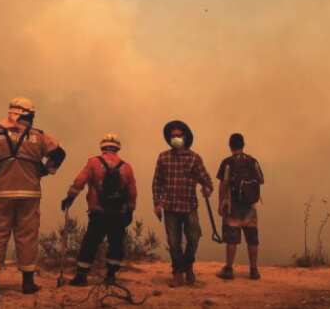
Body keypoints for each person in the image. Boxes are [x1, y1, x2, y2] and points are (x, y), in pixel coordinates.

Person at [0, 97, 66, 294]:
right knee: (27, 235)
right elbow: (59, 154)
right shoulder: (39, 137)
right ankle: (28, 282)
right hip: (30, 194)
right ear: (27, 115)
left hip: (2, 192)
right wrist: (45, 170)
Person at [61, 133, 137, 286]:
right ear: (118, 147)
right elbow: (132, 192)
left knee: (90, 243)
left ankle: (81, 277)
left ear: (102, 146)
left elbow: (79, 181)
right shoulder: (126, 167)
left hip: (98, 212)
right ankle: (110, 276)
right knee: (116, 244)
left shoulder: (93, 163)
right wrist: (130, 210)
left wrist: (69, 198)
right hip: (118, 213)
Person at [152, 120, 213, 287]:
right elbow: (157, 182)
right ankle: (177, 273)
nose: (175, 138)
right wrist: (157, 204)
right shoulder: (163, 157)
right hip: (170, 207)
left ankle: (188, 265)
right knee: (173, 242)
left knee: (194, 238)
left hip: (189, 206)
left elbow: (206, 180)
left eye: (178, 135)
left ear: (185, 137)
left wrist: (207, 188)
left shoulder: (194, 158)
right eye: (172, 136)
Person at [216, 133, 264, 280]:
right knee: (252, 239)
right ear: (243, 144)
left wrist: (220, 202)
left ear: (230, 146)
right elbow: (261, 180)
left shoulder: (227, 162)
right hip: (250, 207)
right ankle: (254, 270)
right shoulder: (252, 161)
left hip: (233, 206)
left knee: (231, 239)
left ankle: (229, 269)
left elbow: (223, 184)